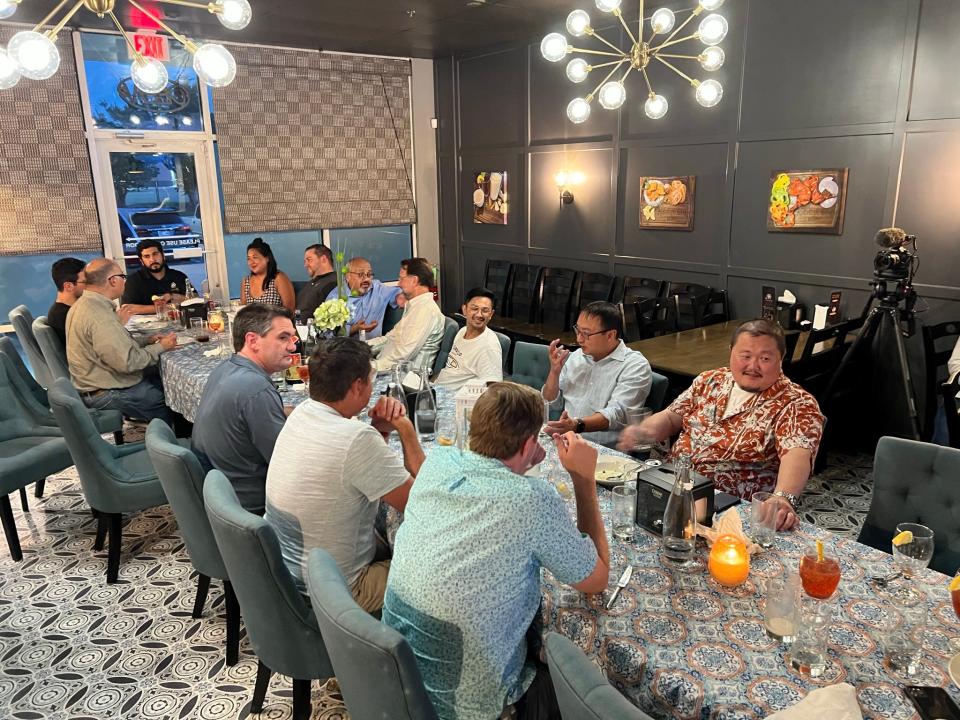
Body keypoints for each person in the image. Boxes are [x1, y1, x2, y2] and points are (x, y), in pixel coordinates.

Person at [382, 382, 609, 720]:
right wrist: (583, 479)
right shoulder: (533, 498)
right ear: (529, 442)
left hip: (396, 678)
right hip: (464, 704)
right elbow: (596, 580)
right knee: (570, 685)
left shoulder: (439, 460)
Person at [618, 318, 825, 530]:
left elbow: (797, 454)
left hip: (729, 512)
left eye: (765, 358)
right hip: (672, 487)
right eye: (745, 356)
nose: (753, 366)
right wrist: (643, 431)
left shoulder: (796, 403)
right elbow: (672, 416)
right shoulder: (711, 380)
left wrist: (783, 498)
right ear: (731, 351)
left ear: (781, 358)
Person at [266, 338, 425, 611]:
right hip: (340, 592)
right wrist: (405, 429)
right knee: (436, 570)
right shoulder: (356, 438)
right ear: (358, 386)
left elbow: (358, 470)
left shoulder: (302, 413)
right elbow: (421, 504)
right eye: (371, 381)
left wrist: (380, 431)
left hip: (285, 575)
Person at [192, 304, 297, 515]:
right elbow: (288, 464)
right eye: (283, 338)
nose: (293, 347)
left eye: (293, 338)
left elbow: (245, 415)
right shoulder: (256, 389)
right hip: (249, 507)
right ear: (253, 341)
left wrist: (291, 412)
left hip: (219, 492)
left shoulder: (226, 368)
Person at [66, 258, 177, 422]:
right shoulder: (100, 316)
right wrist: (161, 346)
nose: (125, 281)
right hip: (104, 392)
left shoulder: (85, 304)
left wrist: (148, 339)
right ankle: (169, 441)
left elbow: (114, 346)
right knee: (164, 399)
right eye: (122, 277)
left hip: (95, 381)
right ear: (112, 281)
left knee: (161, 376)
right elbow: (128, 362)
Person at [542, 300, 652, 448]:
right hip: (566, 440)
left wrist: (577, 425)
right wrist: (554, 372)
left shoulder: (634, 365)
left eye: (586, 334)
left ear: (610, 335)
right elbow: (551, 403)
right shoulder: (576, 357)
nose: (579, 339)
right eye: (578, 330)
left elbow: (616, 415)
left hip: (606, 449)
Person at [368, 258, 444, 372]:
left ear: (414, 280)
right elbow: (390, 339)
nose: (399, 283)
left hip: (403, 378)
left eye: (402, 278)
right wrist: (360, 348)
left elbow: (403, 356)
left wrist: (371, 367)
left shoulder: (425, 310)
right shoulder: (414, 307)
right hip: (388, 368)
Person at [434, 287, 503, 391]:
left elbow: (493, 390)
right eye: (474, 308)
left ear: (491, 314)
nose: (479, 314)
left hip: (455, 401)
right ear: (464, 309)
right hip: (437, 389)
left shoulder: (489, 346)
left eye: (485, 310)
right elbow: (450, 370)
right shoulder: (462, 331)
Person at [325, 256, 402, 339]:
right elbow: (327, 334)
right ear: (348, 276)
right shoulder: (336, 298)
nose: (366, 279)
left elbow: (404, 294)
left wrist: (402, 298)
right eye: (361, 274)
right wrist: (354, 329)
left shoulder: (378, 289)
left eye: (369, 274)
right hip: (346, 350)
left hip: (375, 348)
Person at [120, 239, 189, 315]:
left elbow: (195, 300)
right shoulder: (134, 280)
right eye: (147, 256)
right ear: (141, 261)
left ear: (163, 255)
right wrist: (165, 308)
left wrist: (172, 296)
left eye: (155, 254)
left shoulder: (179, 276)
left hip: (177, 322)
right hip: (144, 325)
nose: (152, 259)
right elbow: (126, 308)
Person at [240, 238, 295, 313]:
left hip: (276, 324)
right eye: (248, 259)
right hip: (252, 324)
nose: (251, 262)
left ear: (267, 258)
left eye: (255, 257)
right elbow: (243, 313)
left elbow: (290, 311)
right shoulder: (246, 282)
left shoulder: (278, 278)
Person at [47, 257, 87, 348]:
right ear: (68, 286)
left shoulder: (61, 311)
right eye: (85, 282)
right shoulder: (66, 316)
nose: (89, 286)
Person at [296, 243, 338, 318]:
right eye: (305, 261)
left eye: (309, 260)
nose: (305, 265)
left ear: (323, 259)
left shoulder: (334, 283)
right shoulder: (310, 284)